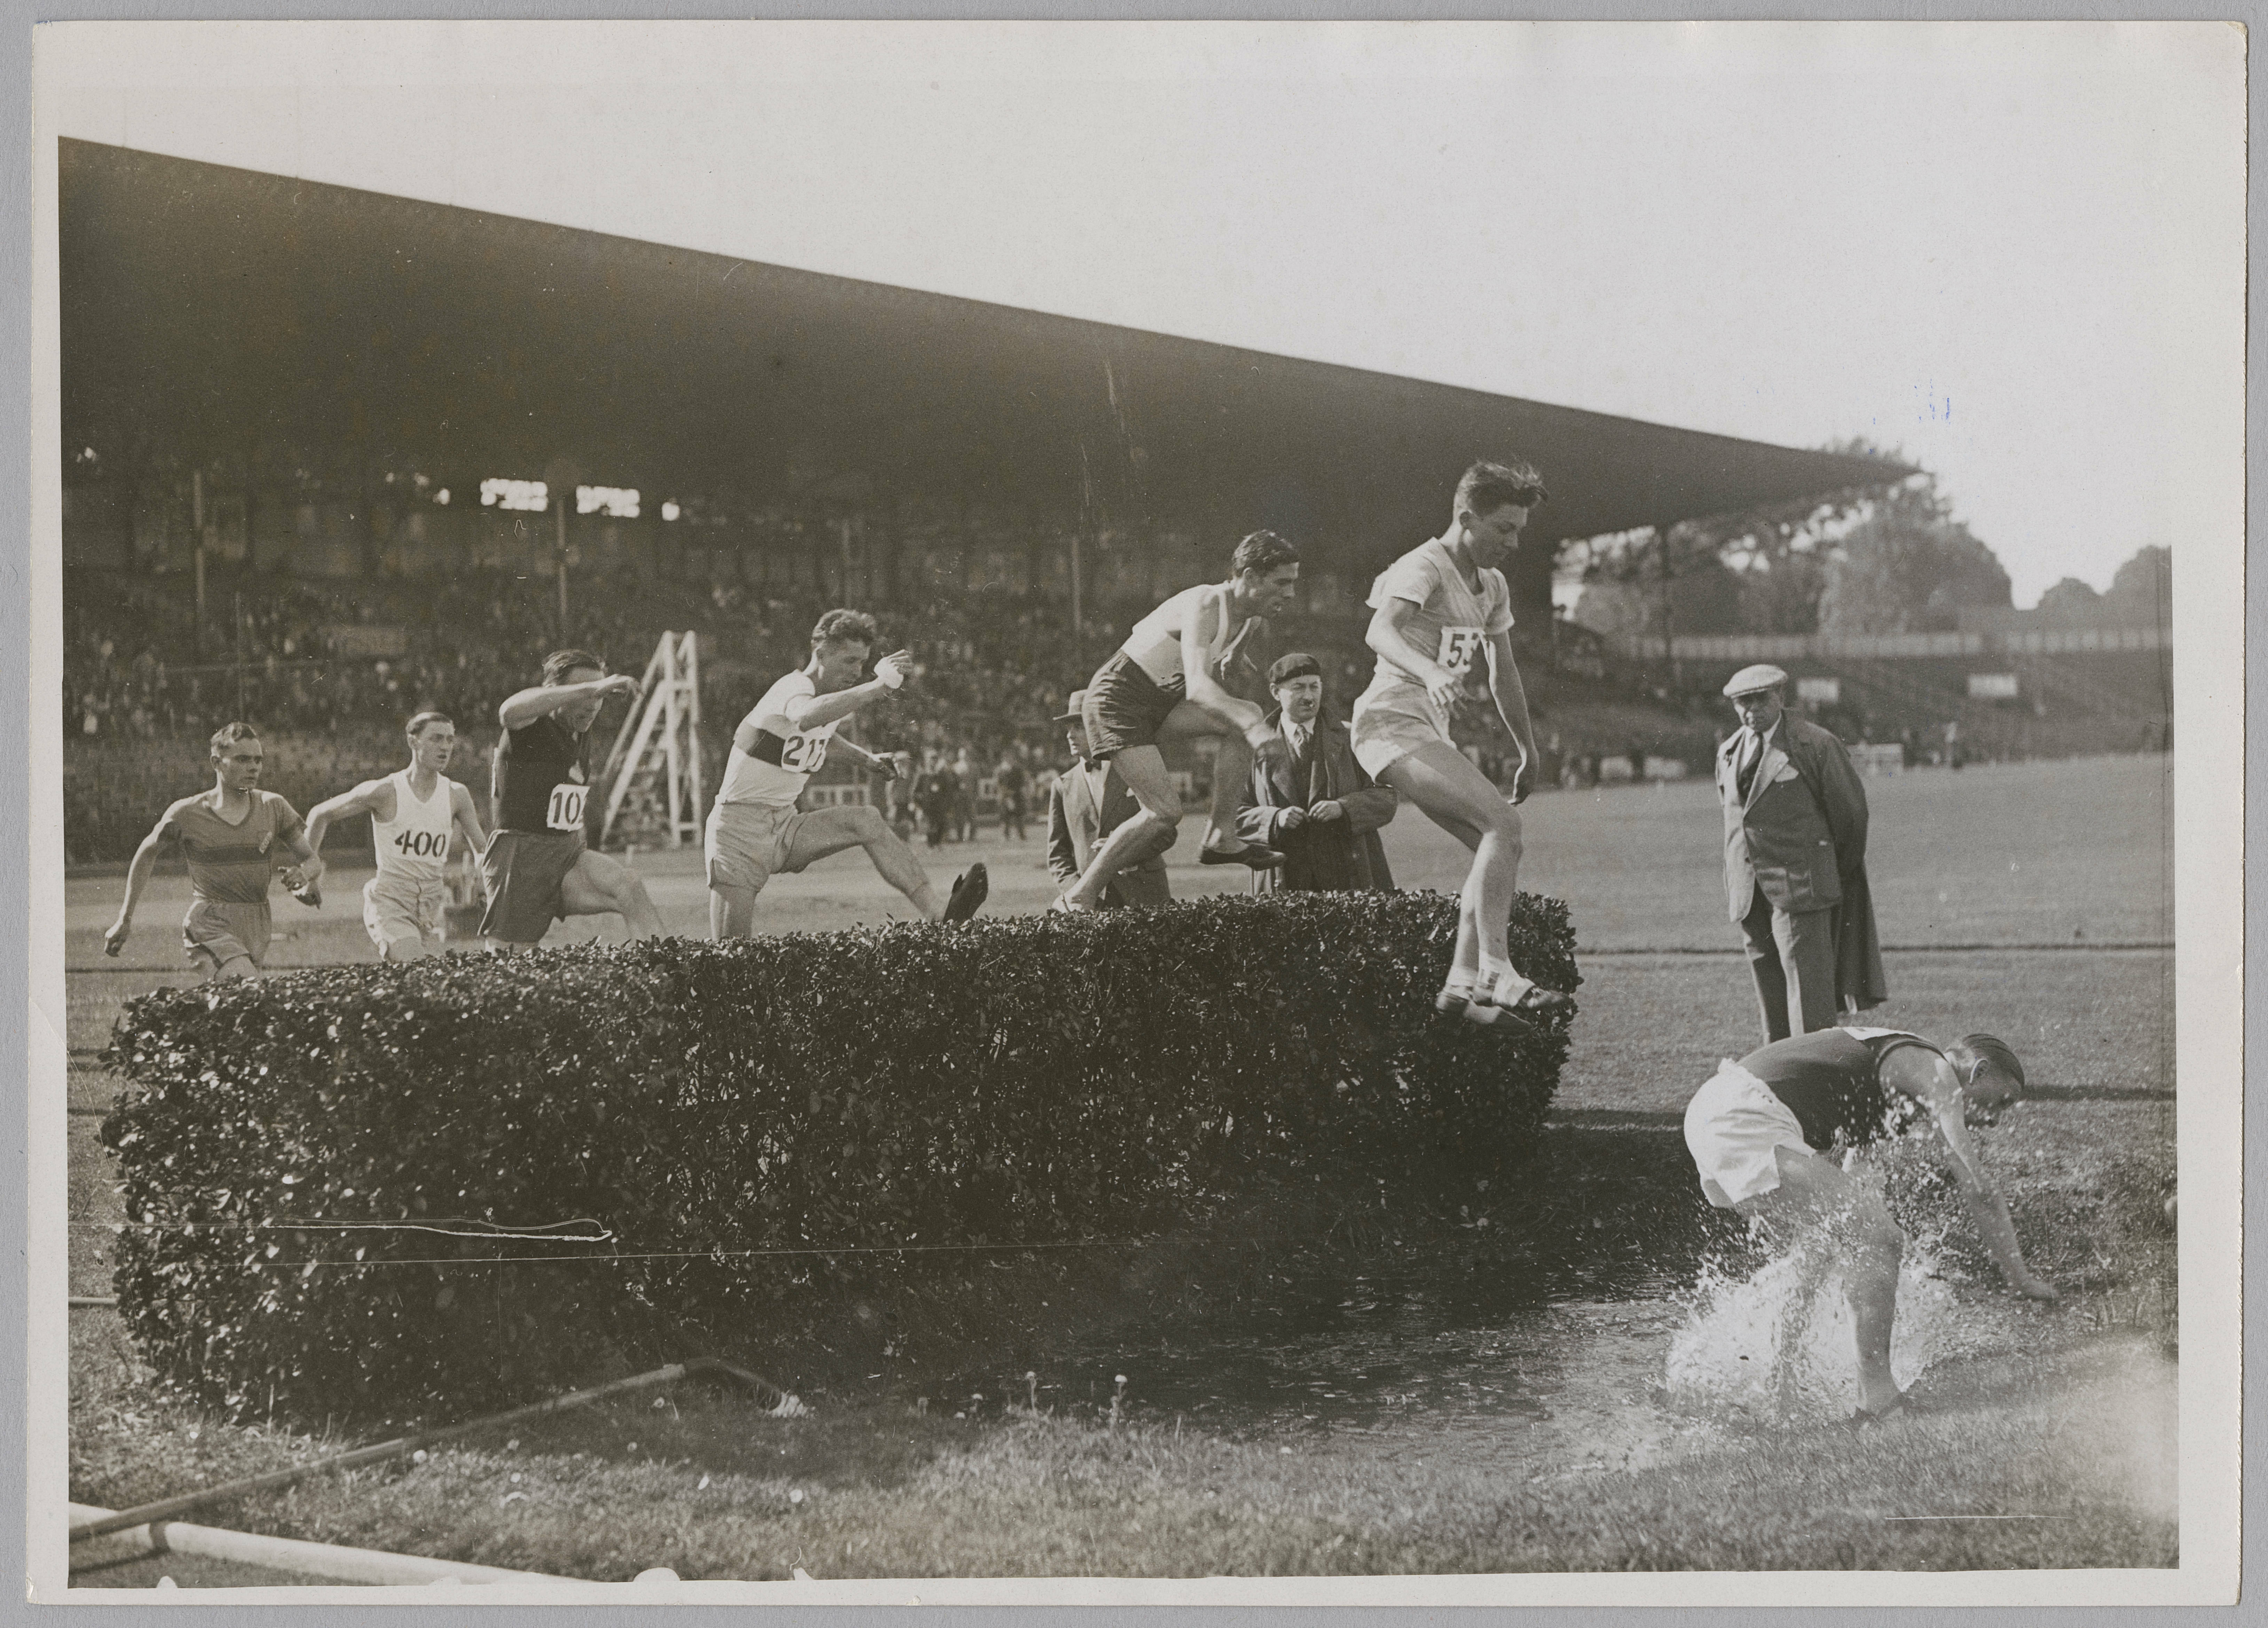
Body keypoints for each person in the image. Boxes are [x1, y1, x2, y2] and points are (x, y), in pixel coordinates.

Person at [1682, 1025, 2058, 1419]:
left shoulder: (1897, 1092)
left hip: (1717, 1111)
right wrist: (2021, 1279)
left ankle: (1779, 1385)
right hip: (1742, 1116)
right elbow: (1978, 1187)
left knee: (1829, 1244)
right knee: (1880, 1238)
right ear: (1978, 1072)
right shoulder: (1938, 1073)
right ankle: (1879, 1402)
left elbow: (1853, 1187)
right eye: (2002, 1101)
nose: (1996, 1120)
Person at [1351, 460, 1573, 1027]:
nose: (1514, 542)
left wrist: (1529, 750)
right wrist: (1428, 672)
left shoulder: (1492, 586)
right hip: (1389, 720)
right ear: (1465, 517)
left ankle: (1458, 987)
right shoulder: (1423, 564)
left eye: (1520, 529)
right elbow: (1380, 631)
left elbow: (1505, 674)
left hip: (1426, 727)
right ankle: (1495, 970)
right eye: (1503, 528)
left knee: (1492, 845)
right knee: (1504, 826)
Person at [1055, 531, 1300, 910]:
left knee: (1245, 714)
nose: (1290, 594)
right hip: (1116, 698)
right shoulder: (1206, 603)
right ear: (1250, 576)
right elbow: (1199, 687)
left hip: (1157, 702)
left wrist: (1234, 661)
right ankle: (1079, 897)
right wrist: (1254, 730)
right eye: (1282, 583)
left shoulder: (1250, 620)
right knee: (1165, 812)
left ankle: (1221, 834)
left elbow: (1225, 656)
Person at [707, 609, 986, 938]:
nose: (856, 672)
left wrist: (864, 759)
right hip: (738, 830)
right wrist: (878, 687)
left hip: (785, 824)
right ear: (820, 652)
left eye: (862, 663)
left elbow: (822, 737)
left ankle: (940, 914)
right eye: (849, 661)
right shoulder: (794, 686)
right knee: (731, 954)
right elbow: (807, 718)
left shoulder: (829, 699)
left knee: (866, 820)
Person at [1714, 664, 1887, 1043]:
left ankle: (1818, 1077)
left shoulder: (1816, 744)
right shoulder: (1728, 752)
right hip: (1749, 893)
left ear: (1780, 697)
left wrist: (1825, 870)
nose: (1750, 710)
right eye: (1742, 702)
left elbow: (1852, 817)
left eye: (1759, 700)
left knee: (1809, 999)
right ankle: (1779, 1078)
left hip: (1801, 887)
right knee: (1770, 993)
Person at [104, 722, 322, 979]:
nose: (254, 767)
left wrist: (305, 875)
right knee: (251, 993)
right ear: (216, 763)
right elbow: (147, 852)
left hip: (257, 921)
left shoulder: (274, 806)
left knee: (242, 1008)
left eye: (258, 760)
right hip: (208, 924)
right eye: (242, 759)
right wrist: (125, 918)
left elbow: (311, 859)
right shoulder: (187, 813)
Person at [481, 649, 667, 948]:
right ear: (557, 693)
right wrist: (593, 688)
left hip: (566, 853)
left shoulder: (578, 731)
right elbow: (508, 711)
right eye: (585, 695)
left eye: (600, 696)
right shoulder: (531, 724)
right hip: (521, 857)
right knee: (510, 964)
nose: (594, 705)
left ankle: (668, 974)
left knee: (628, 887)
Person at [301, 711, 491, 960]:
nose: (445, 747)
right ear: (413, 742)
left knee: (411, 981)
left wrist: (487, 883)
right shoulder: (386, 791)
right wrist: (310, 878)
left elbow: (481, 848)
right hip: (390, 899)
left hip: (430, 903)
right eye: (436, 739)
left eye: (450, 740)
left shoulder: (457, 794)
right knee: (415, 966)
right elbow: (319, 814)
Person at [1231, 651, 1396, 894]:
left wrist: (1344, 808)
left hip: (1348, 873)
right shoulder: (1254, 746)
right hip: (1284, 877)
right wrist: (1275, 819)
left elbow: (1387, 797)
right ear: (1276, 692)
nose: (1309, 696)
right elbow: (1233, 815)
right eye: (1298, 688)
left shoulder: (1353, 738)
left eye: (1314, 687)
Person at [1046, 691, 1176, 909]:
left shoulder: (1136, 769)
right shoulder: (1062, 786)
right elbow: (1058, 855)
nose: (1070, 736)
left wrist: (1125, 849)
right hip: (1091, 903)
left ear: (1099, 727)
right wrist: (1078, 891)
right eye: (1068, 729)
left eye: (1079, 727)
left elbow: (1167, 832)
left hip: (1144, 894)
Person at [996, 751, 1031, 842]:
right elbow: (998, 784)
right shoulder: (1000, 770)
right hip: (1005, 796)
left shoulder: (1018, 769)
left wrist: (1014, 793)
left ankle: (1021, 835)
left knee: (1019, 817)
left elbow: (1022, 782)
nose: (1009, 760)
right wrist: (1006, 794)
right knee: (1005, 817)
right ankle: (1005, 835)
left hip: (1017, 796)